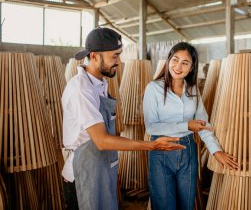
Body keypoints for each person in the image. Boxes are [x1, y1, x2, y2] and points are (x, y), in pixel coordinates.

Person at [61, 27, 184, 210]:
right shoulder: (81, 89)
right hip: (83, 175)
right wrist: (152, 145)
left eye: (119, 55)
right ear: (94, 56)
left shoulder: (100, 82)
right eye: (114, 56)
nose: (119, 61)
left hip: (101, 170)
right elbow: (102, 141)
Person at [143, 42, 239, 210]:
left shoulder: (193, 89)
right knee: (164, 205)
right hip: (161, 151)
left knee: (186, 204)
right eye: (175, 60)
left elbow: (203, 124)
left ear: (191, 67)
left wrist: (216, 151)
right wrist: (187, 125)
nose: (178, 66)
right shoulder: (154, 89)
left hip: (188, 152)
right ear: (168, 61)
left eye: (185, 63)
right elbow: (152, 127)